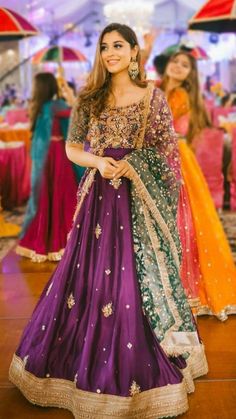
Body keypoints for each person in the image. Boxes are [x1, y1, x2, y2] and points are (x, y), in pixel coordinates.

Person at [9, 24, 208, 418]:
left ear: (135, 52)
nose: (111, 52)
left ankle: (159, 357)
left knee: (137, 281)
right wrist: (98, 161)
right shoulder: (90, 97)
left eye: (118, 46)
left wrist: (133, 165)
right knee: (84, 277)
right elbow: (71, 148)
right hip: (98, 201)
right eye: (105, 47)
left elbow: (168, 158)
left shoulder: (152, 98)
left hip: (136, 203)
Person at [159, 51, 236, 319]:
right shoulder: (156, 88)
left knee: (182, 220)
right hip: (158, 155)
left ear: (190, 73)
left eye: (185, 65)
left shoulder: (179, 95)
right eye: (175, 62)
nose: (179, 67)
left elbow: (158, 122)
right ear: (167, 65)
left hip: (175, 156)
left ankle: (184, 287)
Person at [16, 73, 80, 262]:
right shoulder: (55, 106)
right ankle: (65, 241)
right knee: (63, 195)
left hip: (43, 159)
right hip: (58, 155)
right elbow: (77, 113)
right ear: (52, 87)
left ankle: (44, 241)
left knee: (46, 197)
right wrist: (69, 95)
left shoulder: (38, 107)